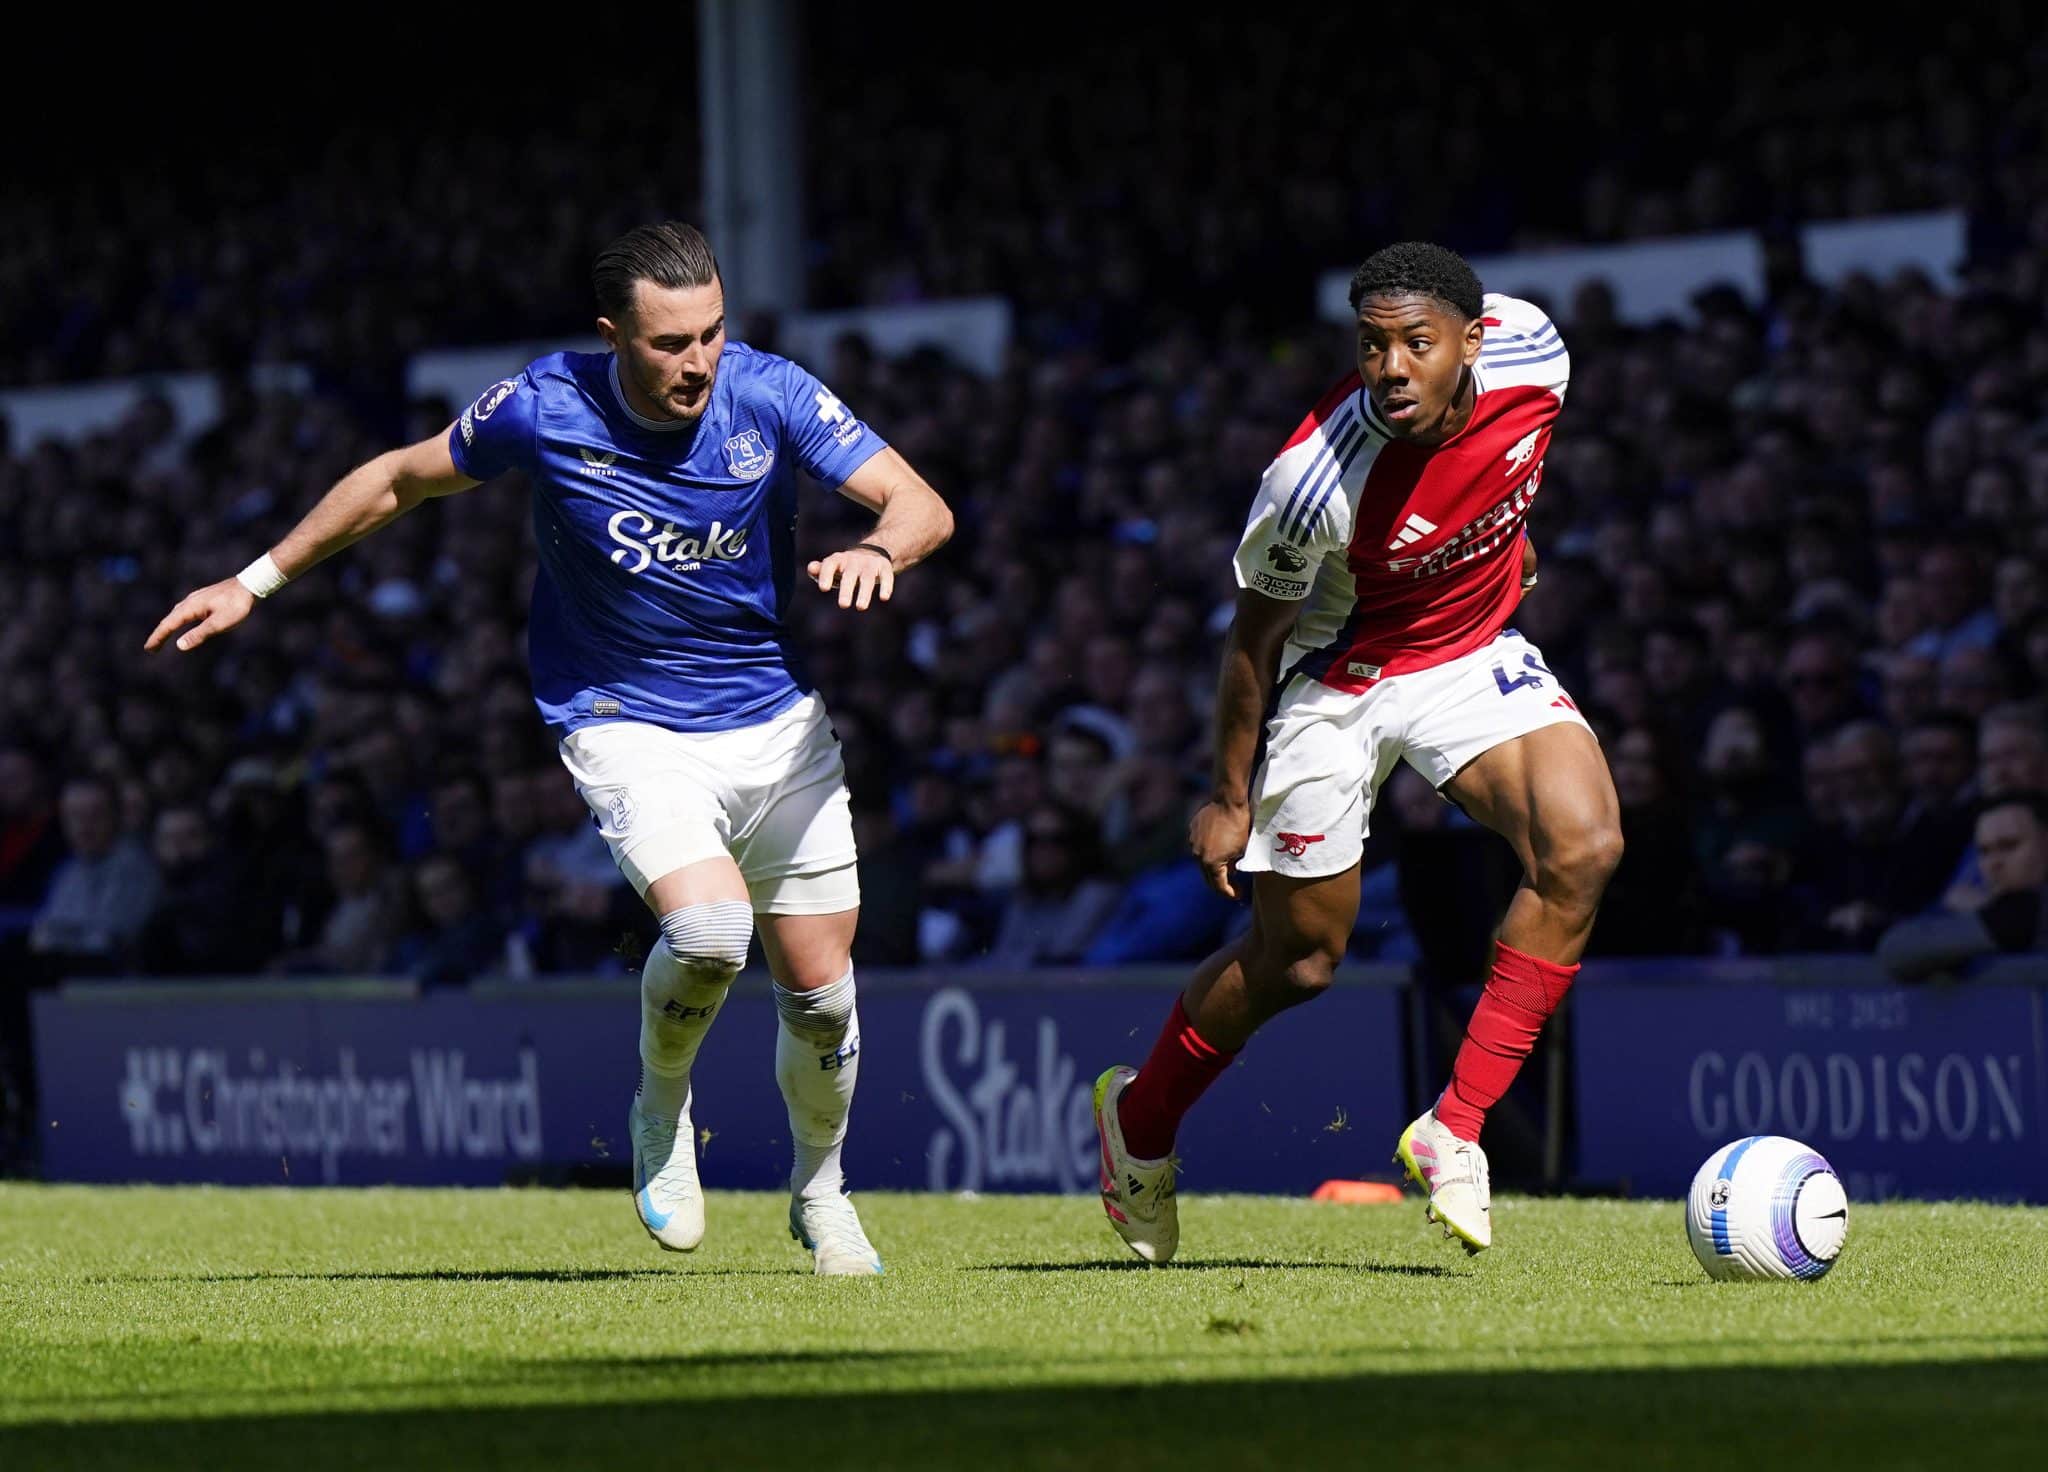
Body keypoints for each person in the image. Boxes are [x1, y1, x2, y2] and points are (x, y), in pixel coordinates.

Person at [147, 222, 954, 1275]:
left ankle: (821, 1193)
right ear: (613, 333)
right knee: (710, 931)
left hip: (775, 722)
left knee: (820, 991)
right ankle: (661, 1109)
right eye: (670, 343)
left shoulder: (770, 392)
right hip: (623, 716)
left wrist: (881, 549)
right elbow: (398, 479)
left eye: (711, 333)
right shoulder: (545, 404)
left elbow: (919, 502)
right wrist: (249, 582)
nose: (698, 361)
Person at [1092, 242, 1621, 1260]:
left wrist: (1513, 553)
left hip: (1470, 651)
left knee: (1583, 846)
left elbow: (1510, 471)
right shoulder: (1308, 481)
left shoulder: (1536, 355)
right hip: (1338, 682)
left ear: (1468, 343)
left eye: (1413, 345)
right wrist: (1225, 794)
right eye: (1370, 345)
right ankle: (1140, 1125)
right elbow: (1251, 644)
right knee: (1300, 961)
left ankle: (1453, 1125)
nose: (1388, 368)